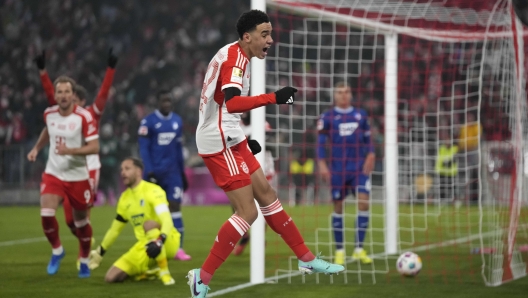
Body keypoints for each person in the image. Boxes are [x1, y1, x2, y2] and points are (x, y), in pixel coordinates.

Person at [189, 10, 344, 298]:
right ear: (247, 37)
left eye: (270, 33)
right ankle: (202, 276)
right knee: (247, 212)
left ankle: (307, 259)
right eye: (264, 34)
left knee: (268, 195)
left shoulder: (236, 55)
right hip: (219, 140)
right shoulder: (236, 59)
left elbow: (224, 107)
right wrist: (274, 97)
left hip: (230, 135)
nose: (270, 40)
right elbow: (233, 104)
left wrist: (245, 139)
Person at [34, 49, 117, 253]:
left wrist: (110, 70)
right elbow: (50, 96)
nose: (72, 102)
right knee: (70, 221)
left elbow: (104, 93)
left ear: (79, 99)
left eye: (76, 98)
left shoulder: (91, 114)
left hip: (89, 168)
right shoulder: (61, 113)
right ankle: (83, 238)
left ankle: (84, 251)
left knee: (79, 216)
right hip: (64, 167)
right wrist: (43, 72)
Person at [27, 76, 99, 278]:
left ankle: (84, 260)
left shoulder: (84, 116)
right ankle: (57, 250)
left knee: (81, 223)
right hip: (54, 173)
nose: (63, 95)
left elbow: (95, 147)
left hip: (78, 176)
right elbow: (48, 132)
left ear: (73, 95)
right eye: (59, 92)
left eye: (67, 92)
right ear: (55, 95)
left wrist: (70, 151)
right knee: (47, 214)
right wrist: (36, 149)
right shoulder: (49, 114)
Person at [87, 157, 181, 285]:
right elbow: (114, 230)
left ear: (138, 171)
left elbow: (167, 219)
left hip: (167, 240)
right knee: (111, 277)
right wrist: (100, 252)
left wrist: (161, 239)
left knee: (148, 224)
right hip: (145, 245)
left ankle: (165, 273)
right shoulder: (124, 199)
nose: (123, 173)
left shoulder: (153, 190)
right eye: (121, 170)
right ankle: (149, 273)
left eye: (127, 169)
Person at [317, 81, 376, 266]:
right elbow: (320, 143)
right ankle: (340, 251)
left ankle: (359, 249)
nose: (344, 95)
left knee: (364, 202)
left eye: (347, 92)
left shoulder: (360, 115)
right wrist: (322, 164)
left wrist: (372, 154)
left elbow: (368, 139)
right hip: (337, 170)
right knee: (338, 206)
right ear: (335, 95)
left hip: (358, 168)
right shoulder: (328, 117)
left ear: (351, 94)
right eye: (340, 92)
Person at [138, 90, 190, 261]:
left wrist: (182, 173)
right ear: (158, 103)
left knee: (175, 207)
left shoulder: (177, 121)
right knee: (152, 212)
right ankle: (150, 245)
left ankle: (178, 249)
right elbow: (144, 149)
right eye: (163, 101)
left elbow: (178, 150)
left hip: (173, 173)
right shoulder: (148, 122)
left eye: (169, 101)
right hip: (155, 173)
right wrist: (149, 171)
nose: (166, 104)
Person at [457, 112, 481, 202]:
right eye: (467, 118)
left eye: (470, 117)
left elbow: (477, 139)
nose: (468, 119)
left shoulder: (477, 126)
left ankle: (475, 197)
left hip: (474, 152)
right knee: (464, 175)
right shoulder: (464, 127)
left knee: (474, 175)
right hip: (465, 153)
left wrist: (468, 145)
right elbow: (461, 140)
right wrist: (463, 146)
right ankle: (464, 196)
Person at [435, 131, 458, 201]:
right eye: (446, 139)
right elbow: (439, 159)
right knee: (442, 188)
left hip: (451, 172)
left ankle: (454, 200)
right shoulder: (441, 148)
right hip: (442, 171)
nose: (447, 141)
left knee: (452, 188)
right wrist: (446, 161)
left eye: (448, 139)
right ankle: (442, 200)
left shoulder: (455, 148)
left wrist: (447, 161)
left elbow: (453, 159)